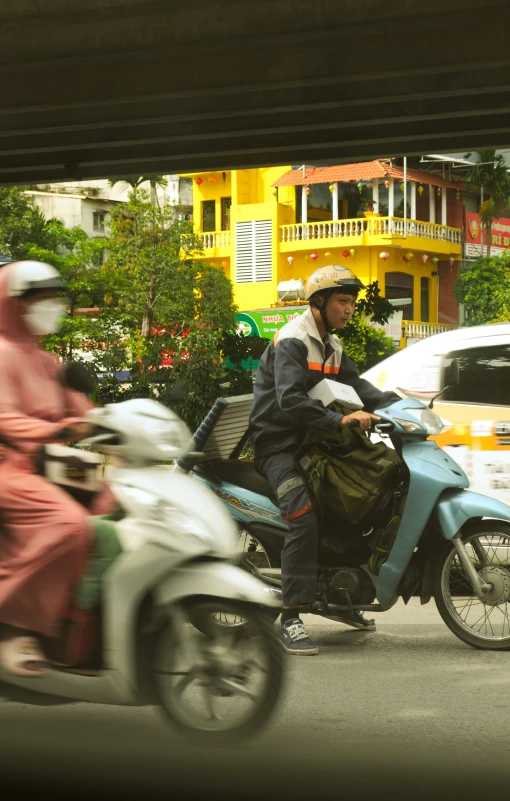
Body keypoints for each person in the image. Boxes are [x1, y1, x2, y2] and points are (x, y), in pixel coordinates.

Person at [250, 264, 401, 655]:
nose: (350, 309)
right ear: (319, 302)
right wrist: (341, 419)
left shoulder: (331, 345)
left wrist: (404, 408)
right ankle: (290, 617)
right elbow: (289, 401)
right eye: (343, 301)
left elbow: (359, 387)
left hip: (315, 444)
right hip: (278, 446)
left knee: (359, 499)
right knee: (302, 513)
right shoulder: (294, 341)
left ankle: (341, 597)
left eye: (352, 302)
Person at [0, 260, 114, 676]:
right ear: (14, 305)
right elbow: (5, 418)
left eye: (54, 297)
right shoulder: (2, 353)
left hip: (53, 466)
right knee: (69, 524)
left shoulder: (46, 360)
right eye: (41, 298)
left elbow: (83, 409)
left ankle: (78, 627)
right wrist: (63, 427)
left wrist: (115, 423)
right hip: (11, 468)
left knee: (116, 506)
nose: (52, 306)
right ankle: (14, 626)